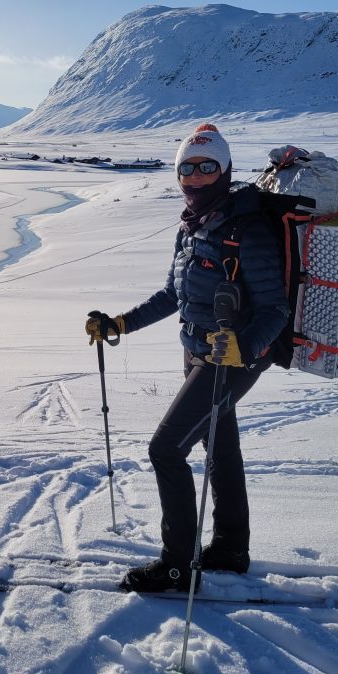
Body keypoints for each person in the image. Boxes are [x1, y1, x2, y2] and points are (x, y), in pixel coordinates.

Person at [85, 123, 288, 593]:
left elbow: (275, 310)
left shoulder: (247, 229)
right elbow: (172, 294)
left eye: (206, 167)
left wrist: (243, 348)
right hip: (195, 351)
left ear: (226, 170)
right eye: (187, 169)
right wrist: (120, 324)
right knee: (219, 448)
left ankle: (177, 567)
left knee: (165, 450)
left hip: (229, 360)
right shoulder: (192, 228)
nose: (195, 177)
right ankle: (231, 549)